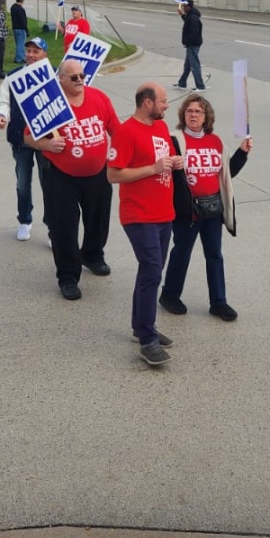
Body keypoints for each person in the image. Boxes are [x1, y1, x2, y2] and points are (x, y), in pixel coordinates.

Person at [25, 58, 120, 300]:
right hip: (60, 176)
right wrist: (46, 143)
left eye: (82, 75)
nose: (80, 80)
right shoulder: (50, 104)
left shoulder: (99, 97)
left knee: (98, 221)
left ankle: (93, 255)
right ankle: (67, 277)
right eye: (74, 77)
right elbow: (27, 137)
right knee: (64, 228)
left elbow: (115, 130)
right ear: (61, 80)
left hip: (98, 173)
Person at [158, 93, 250, 322]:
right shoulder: (174, 139)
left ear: (206, 116)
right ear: (183, 115)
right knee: (181, 253)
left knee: (215, 256)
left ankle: (218, 303)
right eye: (189, 111)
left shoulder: (215, 141)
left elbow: (228, 173)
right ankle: (169, 296)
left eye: (198, 111)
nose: (193, 115)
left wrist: (243, 152)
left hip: (212, 210)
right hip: (187, 210)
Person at [107, 83, 176, 367]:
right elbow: (113, 174)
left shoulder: (161, 128)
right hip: (139, 214)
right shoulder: (126, 132)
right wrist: (154, 169)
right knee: (151, 270)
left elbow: (165, 159)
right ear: (147, 102)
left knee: (153, 269)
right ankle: (147, 339)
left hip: (164, 213)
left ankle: (140, 326)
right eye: (162, 101)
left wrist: (175, 162)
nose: (166, 105)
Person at [0, 36, 51, 242]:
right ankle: (24, 220)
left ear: (44, 54)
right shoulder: (13, 76)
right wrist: (1, 115)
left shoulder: (55, 76)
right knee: (22, 183)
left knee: (50, 185)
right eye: (28, 51)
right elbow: (3, 102)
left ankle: (52, 226)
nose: (31, 55)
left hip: (47, 141)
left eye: (36, 51)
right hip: (21, 139)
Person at [175, 0, 205, 91]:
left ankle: (200, 86)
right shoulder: (191, 15)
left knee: (194, 65)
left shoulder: (193, 18)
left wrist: (188, 42)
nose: (183, 8)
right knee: (187, 65)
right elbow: (187, 20)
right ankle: (182, 83)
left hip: (193, 45)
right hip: (191, 45)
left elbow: (194, 32)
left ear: (189, 7)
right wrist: (181, 15)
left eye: (185, 6)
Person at [10, 0, 28, 65]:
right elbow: (23, 20)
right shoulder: (20, 9)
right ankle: (19, 58)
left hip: (15, 27)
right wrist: (26, 29)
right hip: (21, 28)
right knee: (21, 43)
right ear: (23, 0)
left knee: (18, 43)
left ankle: (19, 56)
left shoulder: (13, 7)